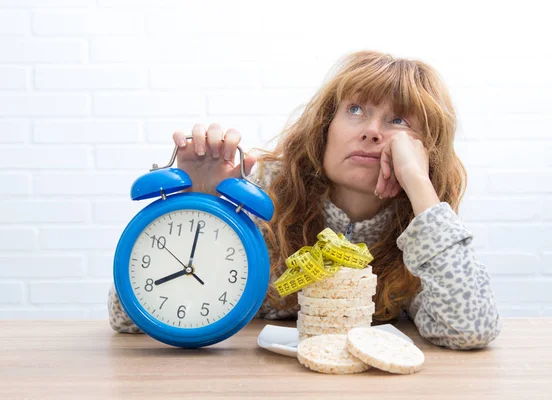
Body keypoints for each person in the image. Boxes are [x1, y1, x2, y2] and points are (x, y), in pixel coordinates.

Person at [107, 50, 501, 350]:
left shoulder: (424, 232)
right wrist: (199, 206)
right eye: (356, 109)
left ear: (422, 148)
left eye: (398, 121)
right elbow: (128, 318)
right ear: (325, 126)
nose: (372, 132)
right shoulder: (257, 196)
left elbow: (470, 329)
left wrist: (418, 182)